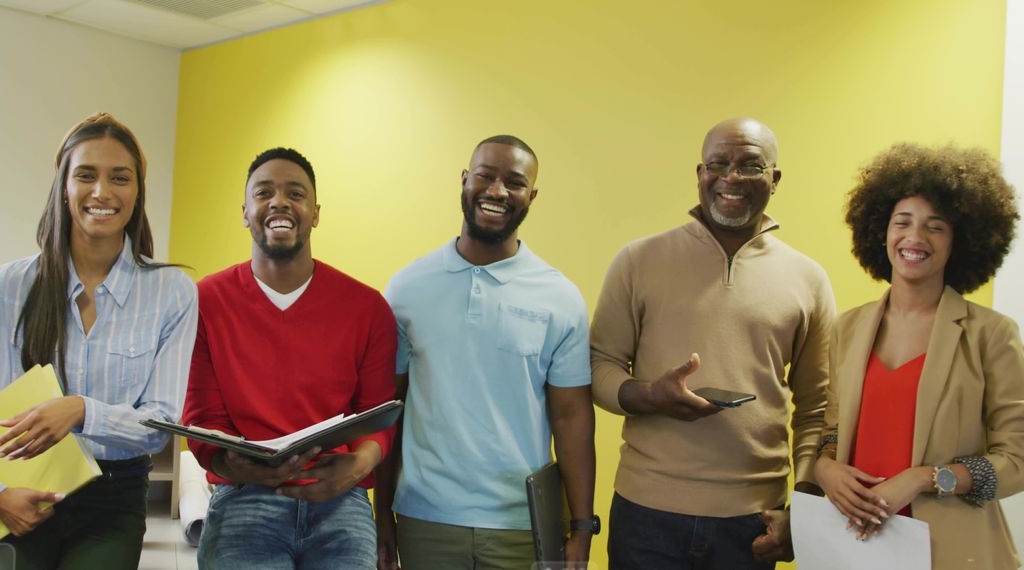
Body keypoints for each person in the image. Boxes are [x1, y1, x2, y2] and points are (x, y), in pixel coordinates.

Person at [0, 112, 198, 569]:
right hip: (17, 492)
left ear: (137, 191)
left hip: (113, 502)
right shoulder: (4, 286)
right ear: (64, 185)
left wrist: (81, 411)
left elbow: (160, 425)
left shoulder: (173, 292)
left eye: (119, 177)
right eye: (85, 175)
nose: (102, 192)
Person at [590, 117, 836, 569]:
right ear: (700, 174)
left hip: (753, 520)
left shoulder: (809, 279)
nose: (731, 178)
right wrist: (648, 396)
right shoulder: (638, 260)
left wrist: (804, 507)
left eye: (750, 166)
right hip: (646, 514)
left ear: (775, 179)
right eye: (717, 164)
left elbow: (818, 408)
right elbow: (600, 365)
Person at [376, 135, 596, 569]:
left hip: (524, 525)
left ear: (532, 196)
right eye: (485, 176)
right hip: (426, 519)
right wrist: (381, 514)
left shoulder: (560, 297)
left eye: (514, 182)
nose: (497, 191)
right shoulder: (406, 289)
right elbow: (389, 411)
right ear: (465, 180)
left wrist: (582, 527)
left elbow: (571, 417)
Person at [181, 147, 397, 570]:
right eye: (264, 193)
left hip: (339, 496)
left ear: (315, 213)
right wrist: (235, 466)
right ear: (245, 213)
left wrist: (357, 467)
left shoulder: (367, 307)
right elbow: (203, 421)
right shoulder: (204, 301)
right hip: (244, 496)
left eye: (295, 193)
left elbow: (378, 415)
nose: (279, 202)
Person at [814, 143, 1024, 569]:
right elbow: (833, 431)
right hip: (856, 546)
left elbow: (1017, 458)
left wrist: (923, 479)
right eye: (903, 222)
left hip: (950, 551)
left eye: (935, 227)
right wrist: (824, 469)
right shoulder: (847, 328)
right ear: (881, 231)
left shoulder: (992, 335)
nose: (915, 237)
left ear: (959, 241)